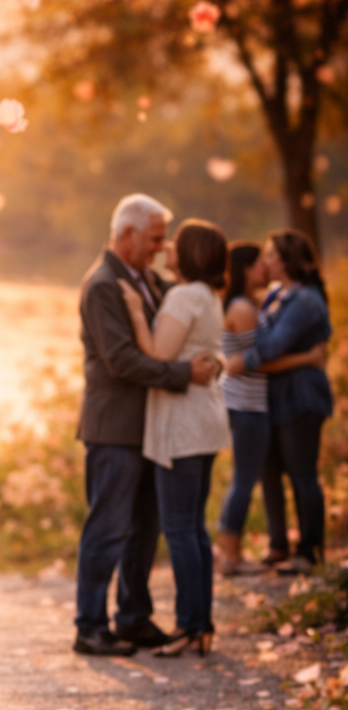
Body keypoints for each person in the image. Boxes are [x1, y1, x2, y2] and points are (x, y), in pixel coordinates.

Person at [75, 195, 218, 658]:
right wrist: (184, 375)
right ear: (128, 234)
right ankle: (91, 625)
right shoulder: (102, 285)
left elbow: (166, 340)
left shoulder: (150, 281)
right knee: (109, 528)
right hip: (114, 427)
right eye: (155, 238)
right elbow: (122, 361)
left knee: (145, 528)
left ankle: (134, 617)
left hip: (153, 428)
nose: (161, 247)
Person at [120, 219, 230, 657]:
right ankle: (201, 624)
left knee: (180, 529)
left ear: (192, 253)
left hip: (182, 426)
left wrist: (133, 310)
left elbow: (158, 357)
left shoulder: (185, 295)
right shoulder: (208, 296)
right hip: (205, 422)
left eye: (176, 244)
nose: (168, 249)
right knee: (195, 529)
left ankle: (189, 626)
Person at [216, 242, 327, 576]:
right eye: (261, 260)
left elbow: (261, 354)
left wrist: (240, 362)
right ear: (247, 269)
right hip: (248, 403)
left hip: (267, 401)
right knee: (248, 479)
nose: (266, 264)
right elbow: (260, 359)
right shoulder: (248, 306)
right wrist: (307, 358)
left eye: (271, 257)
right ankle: (232, 555)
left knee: (273, 476)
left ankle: (294, 547)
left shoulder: (284, 299)